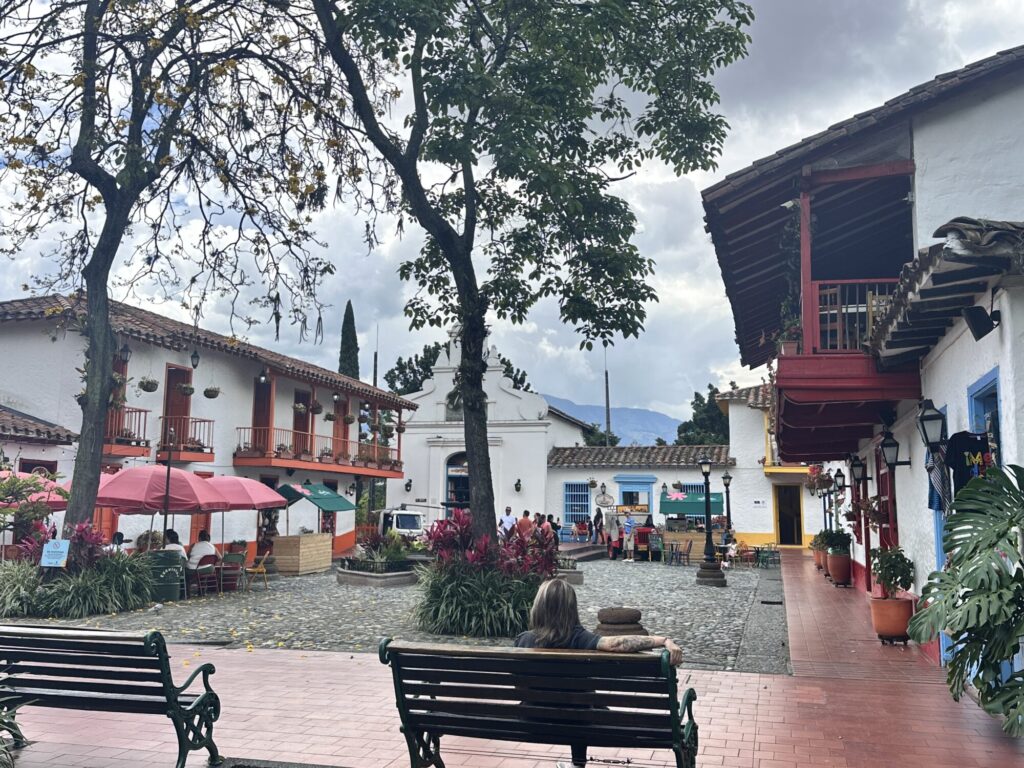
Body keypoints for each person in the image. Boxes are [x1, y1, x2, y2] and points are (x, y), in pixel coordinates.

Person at [515, 579, 683, 768]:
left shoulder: (523, 641)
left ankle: (577, 763)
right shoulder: (578, 638)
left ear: (539, 607)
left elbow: (520, 687)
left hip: (532, 719)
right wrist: (663, 640)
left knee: (577, 699)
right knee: (581, 701)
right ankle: (578, 763)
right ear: (571, 609)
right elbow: (616, 644)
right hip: (578, 722)